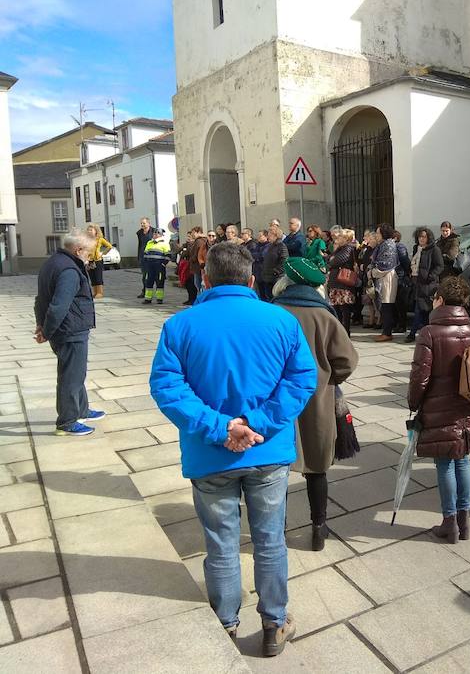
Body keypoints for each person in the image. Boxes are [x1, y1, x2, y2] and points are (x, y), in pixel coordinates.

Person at [149, 243, 316, 654]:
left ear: (205, 279)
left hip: (211, 453)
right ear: (251, 279)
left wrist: (221, 426)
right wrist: (255, 424)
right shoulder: (281, 320)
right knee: (270, 540)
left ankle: (226, 621)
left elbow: (168, 387)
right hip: (268, 451)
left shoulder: (181, 325)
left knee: (221, 543)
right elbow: (301, 380)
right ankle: (274, 622)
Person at [272, 256, 358, 551]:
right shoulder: (326, 317)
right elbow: (347, 361)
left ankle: (277, 530)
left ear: (286, 283)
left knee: (277, 469)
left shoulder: (273, 313)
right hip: (318, 403)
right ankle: (319, 529)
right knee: (316, 469)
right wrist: (327, 380)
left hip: (279, 404)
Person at [408, 276, 470, 542]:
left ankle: (449, 521)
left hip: (438, 406)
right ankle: (464, 520)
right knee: (463, 458)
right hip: (465, 403)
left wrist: (413, 402)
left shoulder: (429, 332)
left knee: (444, 462)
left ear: (439, 299)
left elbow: (421, 375)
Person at [34, 229, 106, 436]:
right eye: (88, 252)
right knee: (71, 376)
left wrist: (41, 325)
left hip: (66, 328)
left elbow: (40, 300)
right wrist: (46, 331)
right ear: (78, 249)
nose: (89, 257)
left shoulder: (52, 262)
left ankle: (81, 410)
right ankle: (67, 421)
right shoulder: (69, 270)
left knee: (76, 372)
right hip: (70, 330)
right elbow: (58, 306)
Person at [406, 227, 443, 342]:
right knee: (418, 309)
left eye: (424, 236)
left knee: (425, 310)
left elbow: (439, 266)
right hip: (417, 283)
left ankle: (417, 334)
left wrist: (430, 276)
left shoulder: (434, 249)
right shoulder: (417, 248)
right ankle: (415, 333)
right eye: (419, 236)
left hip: (429, 285)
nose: (421, 239)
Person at [370, 223, 399, 342]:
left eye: (377, 233)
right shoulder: (382, 244)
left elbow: (386, 264)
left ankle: (387, 333)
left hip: (387, 278)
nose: (376, 235)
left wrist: (372, 272)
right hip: (382, 277)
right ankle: (386, 331)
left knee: (387, 305)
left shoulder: (388, 245)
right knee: (384, 305)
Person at [326, 228, 358, 335]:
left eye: (340, 236)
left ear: (345, 238)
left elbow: (336, 261)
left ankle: (346, 332)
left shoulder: (348, 249)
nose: (337, 238)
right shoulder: (339, 249)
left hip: (343, 283)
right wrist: (331, 260)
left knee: (345, 309)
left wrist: (331, 260)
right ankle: (339, 331)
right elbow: (329, 259)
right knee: (336, 308)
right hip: (335, 282)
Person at [142, 229, 171, 305]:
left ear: (161, 235)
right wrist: (146, 263)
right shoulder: (149, 242)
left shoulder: (164, 244)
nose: (155, 234)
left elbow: (168, 255)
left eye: (157, 233)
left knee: (160, 282)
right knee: (148, 282)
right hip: (150, 266)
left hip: (159, 266)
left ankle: (159, 299)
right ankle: (148, 299)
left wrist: (163, 264)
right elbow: (145, 253)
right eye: (154, 233)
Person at [84, 224, 112, 299]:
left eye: (91, 230)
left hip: (97, 261)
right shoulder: (86, 240)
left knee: (98, 277)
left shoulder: (100, 239)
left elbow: (109, 246)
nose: (89, 231)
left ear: (96, 231)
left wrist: (102, 253)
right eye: (88, 230)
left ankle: (100, 292)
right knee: (92, 277)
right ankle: (95, 292)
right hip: (89, 261)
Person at [260, 227, 288, 302]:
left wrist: (276, 272)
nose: (268, 237)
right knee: (269, 298)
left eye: (269, 235)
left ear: (275, 235)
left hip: (276, 278)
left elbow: (284, 261)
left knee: (276, 299)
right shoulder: (270, 246)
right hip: (267, 278)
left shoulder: (281, 246)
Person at [393, 231, 412, 334]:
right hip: (395, 277)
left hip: (401, 277)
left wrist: (407, 272)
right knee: (396, 303)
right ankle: (397, 324)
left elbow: (405, 261)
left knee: (401, 303)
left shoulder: (400, 247)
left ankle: (402, 325)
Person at [136, 218, 153, 298]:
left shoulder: (154, 231)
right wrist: (139, 256)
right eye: (141, 223)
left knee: (154, 276)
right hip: (143, 257)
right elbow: (140, 245)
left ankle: (155, 291)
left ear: (149, 223)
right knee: (144, 275)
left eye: (144, 223)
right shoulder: (139, 233)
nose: (142, 225)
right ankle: (145, 291)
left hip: (152, 256)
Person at [250, 230, 268, 295]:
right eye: (258, 236)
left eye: (260, 236)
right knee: (260, 292)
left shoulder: (268, 245)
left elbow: (261, 255)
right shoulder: (257, 245)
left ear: (266, 236)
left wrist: (255, 255)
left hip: (264, 271)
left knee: (266, 292)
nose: (258, 238)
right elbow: (251, 254)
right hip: (257, 272)